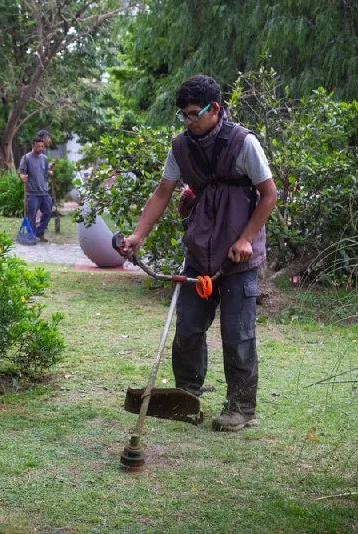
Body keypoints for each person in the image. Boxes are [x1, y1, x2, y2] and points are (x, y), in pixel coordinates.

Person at [120, 75, 277, 432]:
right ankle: (186, 394)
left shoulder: (243, 143)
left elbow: (269, 195)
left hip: (238, 258)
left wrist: (247, 239)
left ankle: (240, 407)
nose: (188, 122)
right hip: (199, 254)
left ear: (215, 109)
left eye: (194, 114)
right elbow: (162, 193)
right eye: (184, 115)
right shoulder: (181, 147)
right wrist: (138, 235)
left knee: (237, 335)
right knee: (188, 328)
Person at [18, 136, 53, 243]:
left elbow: (45, 172)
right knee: (31, 216)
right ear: (33, 146)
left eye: (42, 146)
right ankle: (31, 236)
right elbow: (21, 172)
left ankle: (39, 231)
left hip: (44, 192)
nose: (41, 148)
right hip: (32, 193)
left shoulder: (44, 158)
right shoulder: (27, 158)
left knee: (48, 211)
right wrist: (22, 176)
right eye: (38, 146)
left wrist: (49, 173)